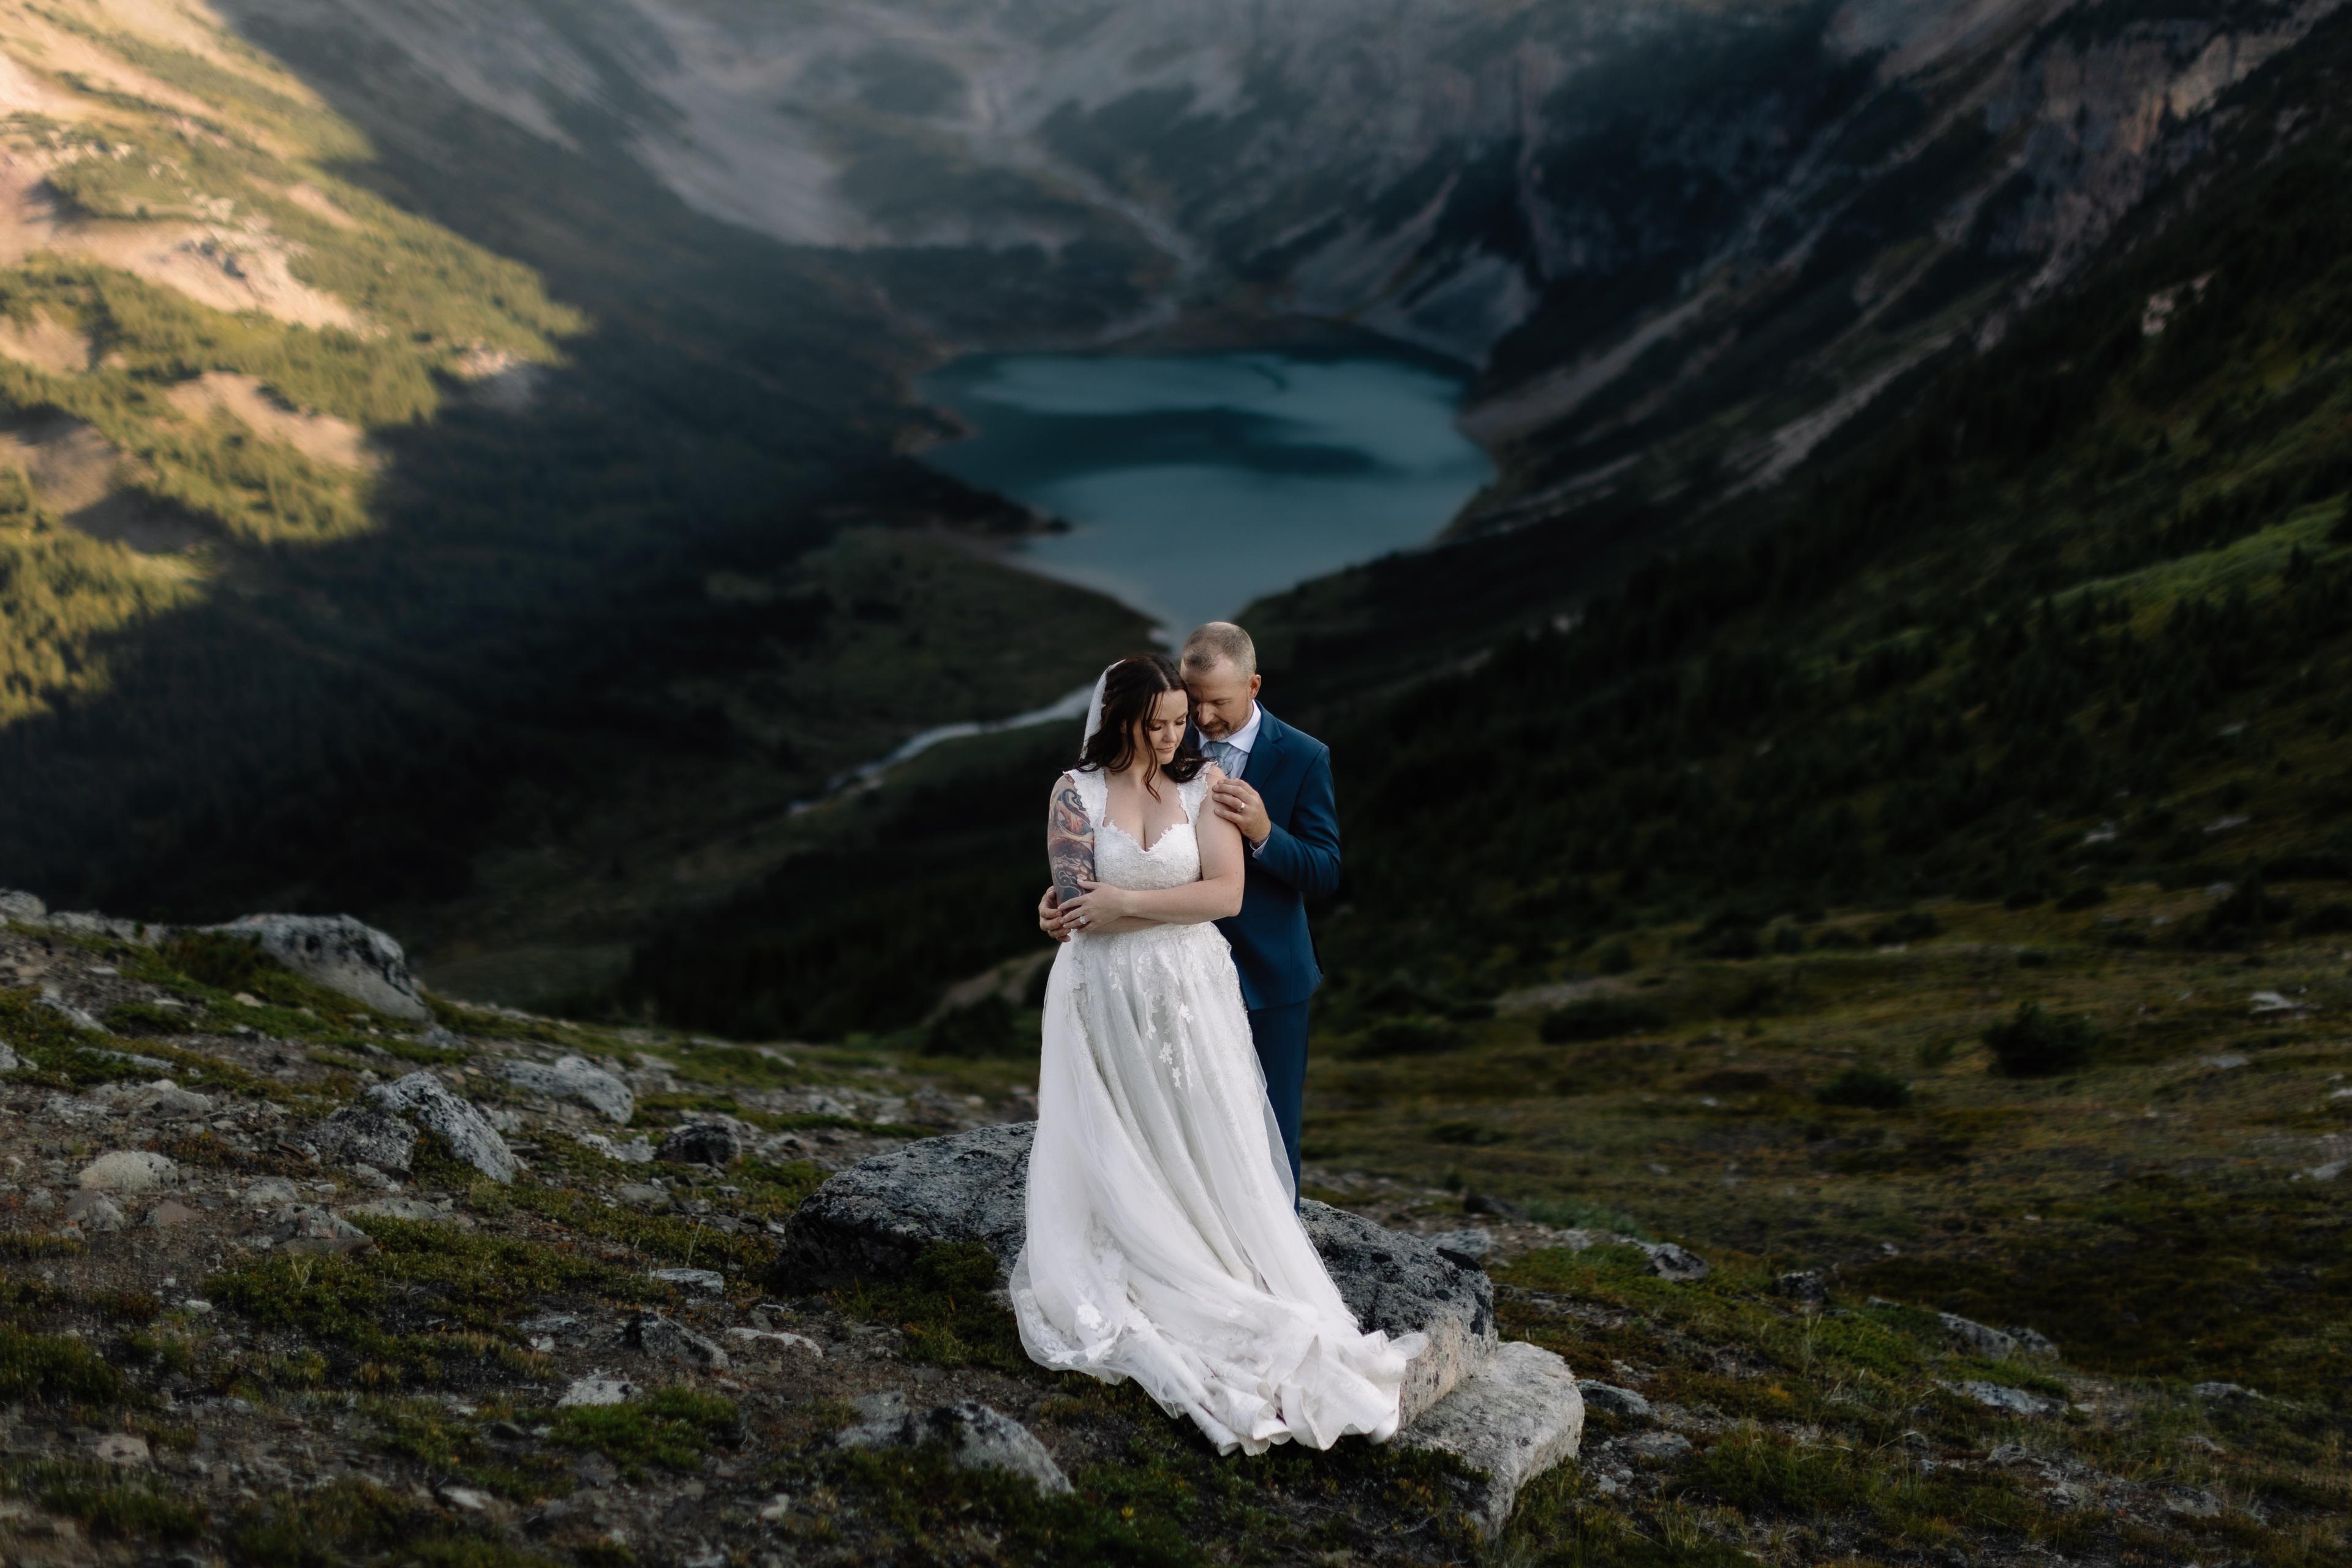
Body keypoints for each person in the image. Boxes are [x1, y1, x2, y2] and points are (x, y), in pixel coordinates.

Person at [1011, 652, 1420, 1456]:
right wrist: (1089, 911)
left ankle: (1220, 1255)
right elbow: (1077, 908)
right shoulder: (1074, 792)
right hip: (1104, 993)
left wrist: (1123, 900)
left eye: (1180, 722)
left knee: (1201, 1128)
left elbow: (1225, 893)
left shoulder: (1202, 786)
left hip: (1189, 990)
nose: (1172, 737)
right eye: (1156, 724)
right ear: (1120, 721)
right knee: (1118, 1128)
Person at [1039, 622, 1338, 1195]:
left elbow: (1325, 870)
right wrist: (1058, 900)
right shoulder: (1168, 736)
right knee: (1167, 1123)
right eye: (1191, 704)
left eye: (1216, 704)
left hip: (1270, 969)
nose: (1199, 720)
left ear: (1253, 686)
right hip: (1159, 973)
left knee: (1269, 1126)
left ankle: (1276, 1253)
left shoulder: (1303, 756)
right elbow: (1106, 855)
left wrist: (1263, 831)